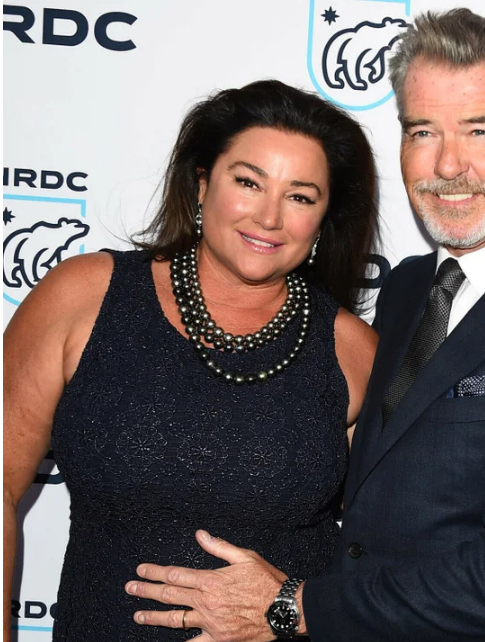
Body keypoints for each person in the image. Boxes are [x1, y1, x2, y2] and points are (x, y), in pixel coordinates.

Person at [124, 8, 485, 642]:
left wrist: (293, 606)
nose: (447, 164)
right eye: (422, 131)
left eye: (479, 130)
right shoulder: (409, 286)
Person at [3, 79, 379, 641]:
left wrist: (292, 610)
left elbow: (397, 554)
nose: (269, 217)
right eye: (248, 182)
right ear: (202, 185)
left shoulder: (354, 352)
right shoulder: (85, 296)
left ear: (323, 220)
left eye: (300, 197)